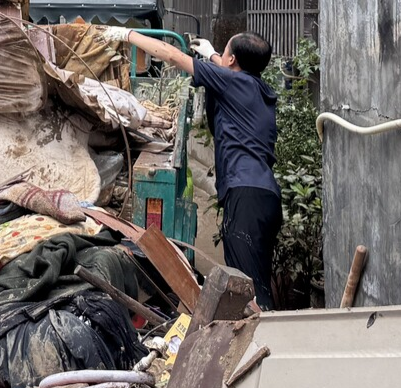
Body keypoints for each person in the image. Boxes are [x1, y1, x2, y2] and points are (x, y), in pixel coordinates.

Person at [102, 27, 282, 307]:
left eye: (224, 53)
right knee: (257, 279)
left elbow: (172, 55)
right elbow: (224, 68)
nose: (219, 57)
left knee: (249, 290)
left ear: (232, 61)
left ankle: (262, 343)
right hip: (265, 197)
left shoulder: (231, 83)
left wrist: (127, 35)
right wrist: (211, 54)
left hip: (245, 196)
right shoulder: (258, 89)